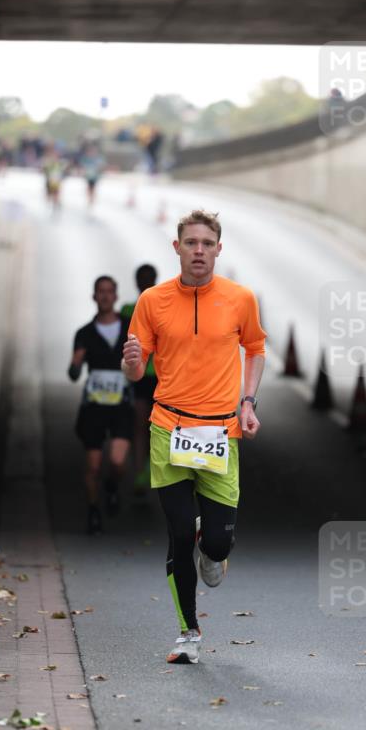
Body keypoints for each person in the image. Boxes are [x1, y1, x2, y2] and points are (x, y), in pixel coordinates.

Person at [122, 210, 266, 664]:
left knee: (217, 544)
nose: (198, 250)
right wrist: (129, 361)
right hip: (169, 428)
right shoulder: (153, 301)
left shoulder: (240, 299)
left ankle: (213, 546)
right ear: (177, 247)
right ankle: (188, 631)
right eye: (191, 243)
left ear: (218, 249)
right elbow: (135, 369)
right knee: (179, 533)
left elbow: (256, 349)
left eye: (207, 243)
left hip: (220, 431)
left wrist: (248, 403)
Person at [69, 276, 133, 534]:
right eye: (101, 292)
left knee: (117, 462)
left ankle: (112, 485)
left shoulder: (131, 329)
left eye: (110, 292)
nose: (105, 296)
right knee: (93, 465)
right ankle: (93, 510)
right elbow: (73, 375)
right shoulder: (84, 334)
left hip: (121, 406)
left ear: (116, 296)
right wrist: (76, 362)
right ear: (94, 296)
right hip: (94, 407)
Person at [120, 265, 158, 495]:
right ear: (137, 283)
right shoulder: (127, 310)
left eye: (148, 279)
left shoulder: (165, 309)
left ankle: (150, 466)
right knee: (139, 425)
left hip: (163, 377)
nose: (145, 283)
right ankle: (140, 473)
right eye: (142, 279)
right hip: (140, 377)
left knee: (159, 428)